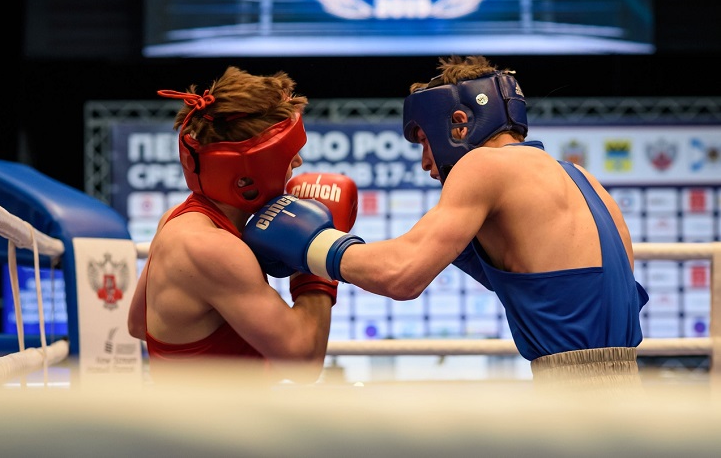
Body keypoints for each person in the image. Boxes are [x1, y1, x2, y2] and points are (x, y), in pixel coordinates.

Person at [243, 55, 650, 393]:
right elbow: (566, 297)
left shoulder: (483, 165)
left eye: (424, 140)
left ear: (458, 123)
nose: (425, 163)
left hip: (574, 397)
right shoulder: (582, 181)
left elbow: (401, 275)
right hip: (627, 386)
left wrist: (311, 243)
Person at [127, 66, 358, 385]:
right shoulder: (211, 248)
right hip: (214, 417)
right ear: (250, 173)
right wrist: (317, 253)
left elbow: (138, 324)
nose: (298, 162)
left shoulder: (177, 220)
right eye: (287, 154)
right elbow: (304, 360)